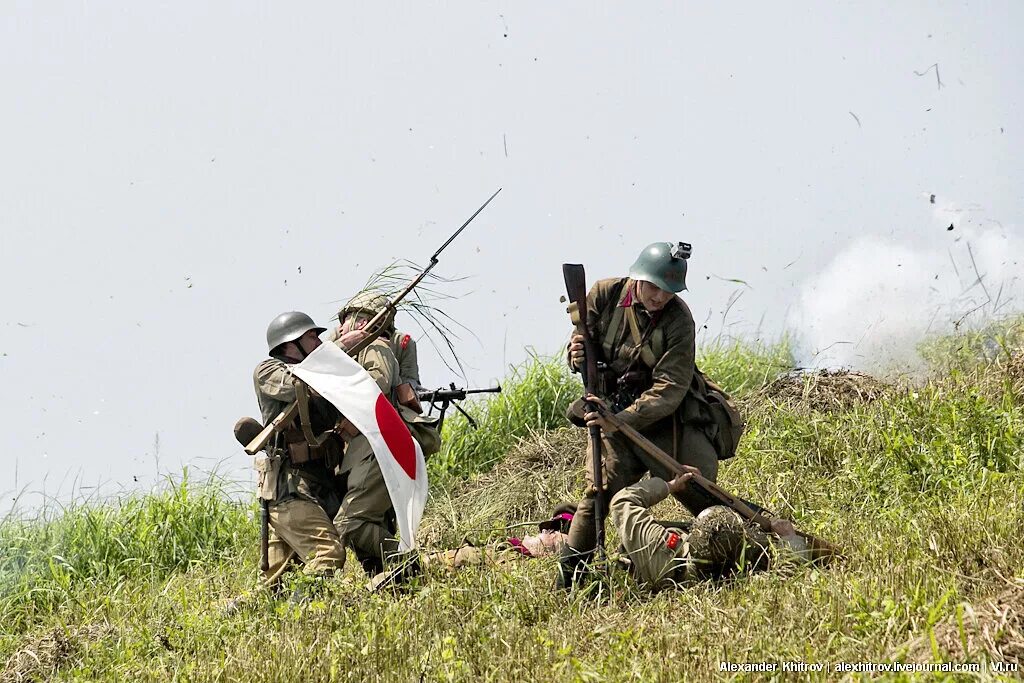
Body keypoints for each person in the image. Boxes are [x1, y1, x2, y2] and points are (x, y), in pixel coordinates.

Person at [558, 241, 744, 588]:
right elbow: (581, 344)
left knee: (699, 489)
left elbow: (671, 387)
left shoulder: (679, 319)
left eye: (669, 291)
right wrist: (575, 354)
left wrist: (623, 421)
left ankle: (730, 557)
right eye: (655, 288)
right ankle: (570, 577)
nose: (660, 297)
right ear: (638, 277)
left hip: (663, 417)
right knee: (599, 490)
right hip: (611, 409)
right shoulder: (603, 295)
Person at [252, 311, 361, 585]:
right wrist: (341, 348)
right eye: (311, 337)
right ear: (290, 344)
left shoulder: (321, 377)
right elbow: (299, 385)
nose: (318, 342)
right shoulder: (268, 371)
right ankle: (304, 614)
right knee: (327, 554)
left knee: (277, 584)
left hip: (320, 486)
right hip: (291, 490)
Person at [610, 467, 810, 590]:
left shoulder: (657, 550)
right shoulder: (736, 580)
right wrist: (790, 538)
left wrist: (670, 486)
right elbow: (787, 573)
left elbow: (622, 501)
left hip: (640, 565)